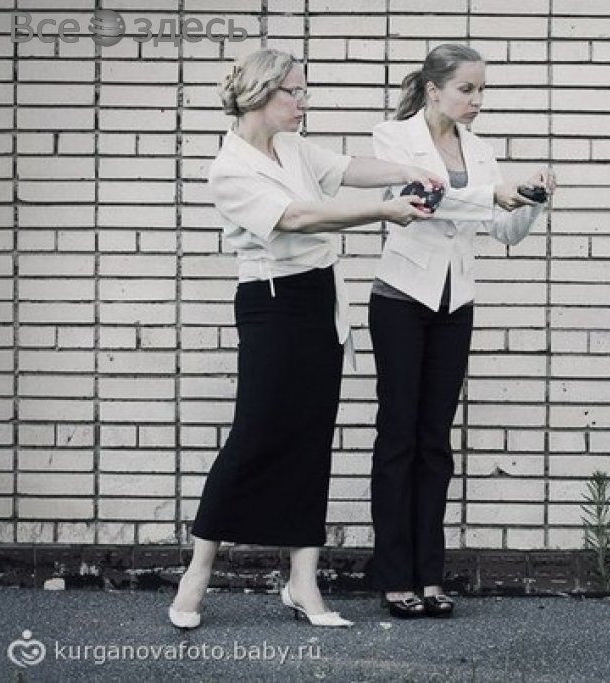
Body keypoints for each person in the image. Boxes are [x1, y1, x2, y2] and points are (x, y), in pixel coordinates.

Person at [168, 48, 442, 630]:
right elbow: (294, 217)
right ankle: (197, 573)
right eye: (294, 92)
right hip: (271, 304)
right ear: (260, 95)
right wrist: (384, 211)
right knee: (253, 438)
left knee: (313, 440)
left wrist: (410, 172)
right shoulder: (230, 168)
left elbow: (345, 168)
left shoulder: (291, 147)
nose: (303, 102)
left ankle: (303, 582)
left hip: (319, 299)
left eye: (304, 91)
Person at [367, 43, 555, 619]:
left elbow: (503, 231)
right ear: (434, 89)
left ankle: (429, 575)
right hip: (401, 299)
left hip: (455, 302)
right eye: (466, 89)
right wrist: (490, 194)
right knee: (398, 438)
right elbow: (420, 200)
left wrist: (531, 202)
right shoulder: (393, 139)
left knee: (435, 442)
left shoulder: (480, 150)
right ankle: (394, 576)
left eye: (481, 90)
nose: (477, 100)